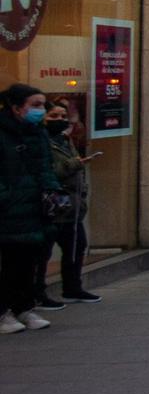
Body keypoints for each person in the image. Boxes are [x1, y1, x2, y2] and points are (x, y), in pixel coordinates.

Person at [0, 83, 58, 334]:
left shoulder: (38, 132)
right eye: (35, 105)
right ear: (16, 108)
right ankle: (4, 313)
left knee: (29, 260)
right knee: (9, 262)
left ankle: (24, 308)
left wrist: (53, 191)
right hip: (10, 208)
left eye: (42, 105)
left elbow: (46, 167)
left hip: (36, 205)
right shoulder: (4, 134)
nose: (40, 110)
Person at [37, 98, 99, 305]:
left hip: (71, 206)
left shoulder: (64, 140)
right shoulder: (40, 141)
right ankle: (38, 292)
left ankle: (73, 287)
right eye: (53, 116)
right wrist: (75, 164)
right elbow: (51, 171)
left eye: (63, 116)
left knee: (76, 246)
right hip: (52, 205)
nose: (60, 120)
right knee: (42, 253)